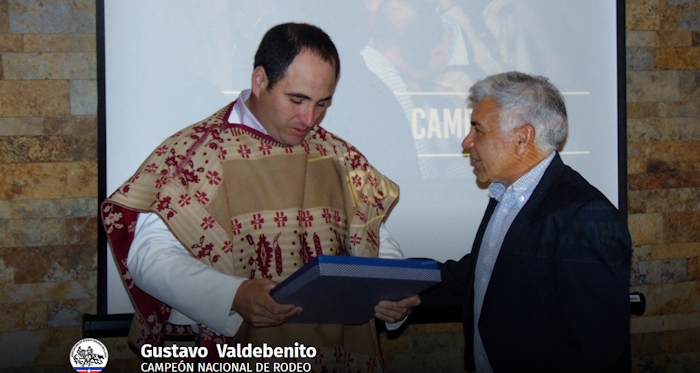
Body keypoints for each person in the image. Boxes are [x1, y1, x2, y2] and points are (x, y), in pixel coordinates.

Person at [101, 23, 418, 371]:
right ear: (260, 81)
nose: (309, 118)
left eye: (322, 103)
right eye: (297, 100)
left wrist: (393, 292)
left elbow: (372, 234)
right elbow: (149, 257)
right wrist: (233, 295)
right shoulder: (197, 154)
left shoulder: (337, 156)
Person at [420, 71, 632, 372]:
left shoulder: (585, 216)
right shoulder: (506, 195)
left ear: (523, 138)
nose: (467, 142)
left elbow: (594, 353)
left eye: (478, 130)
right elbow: (481, 275)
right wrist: (402, 285)